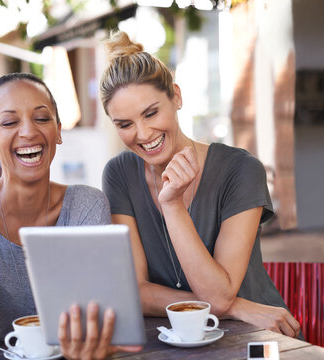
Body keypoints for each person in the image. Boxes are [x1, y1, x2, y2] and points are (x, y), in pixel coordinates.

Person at [100, 31, 302, 339]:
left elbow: (218, 295)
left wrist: (172, 204)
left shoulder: (241, 170)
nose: (142, 134)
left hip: (255, 334)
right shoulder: (119, 174)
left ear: (176, 97)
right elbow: (136, 291)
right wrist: (238, 307)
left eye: (151, 113)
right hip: (178, 337)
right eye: (124, 124)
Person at [0, 73, 141, 359]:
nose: (29, 132)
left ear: (58, 130)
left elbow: (91, 319)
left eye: (42, 118)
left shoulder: (86, 205)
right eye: (9, 122)